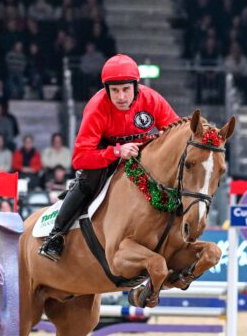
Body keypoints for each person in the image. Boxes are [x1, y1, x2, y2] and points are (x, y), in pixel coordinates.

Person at [39, 54, 179, 261]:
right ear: (107, 90)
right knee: (87, 182)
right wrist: (116, 151)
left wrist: (163, 138)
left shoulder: (152, 99)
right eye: (115, 90)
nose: (121, 97)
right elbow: (80, 158)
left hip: (140, 154)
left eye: (125, 89)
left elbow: (176, 130)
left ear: (136, 87)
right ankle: (56, 235)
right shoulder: (97, 107)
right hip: (104, 156)